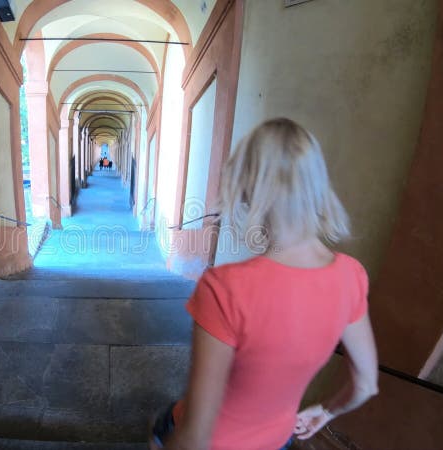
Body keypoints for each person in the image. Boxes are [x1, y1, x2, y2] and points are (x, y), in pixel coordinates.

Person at [150, 118, 379, 450]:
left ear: (246, 188)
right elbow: (367, 384)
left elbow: (196, 436)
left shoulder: (225, 288)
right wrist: (326, 411)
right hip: (277, 440)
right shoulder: (351, 275)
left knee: (163, 424)